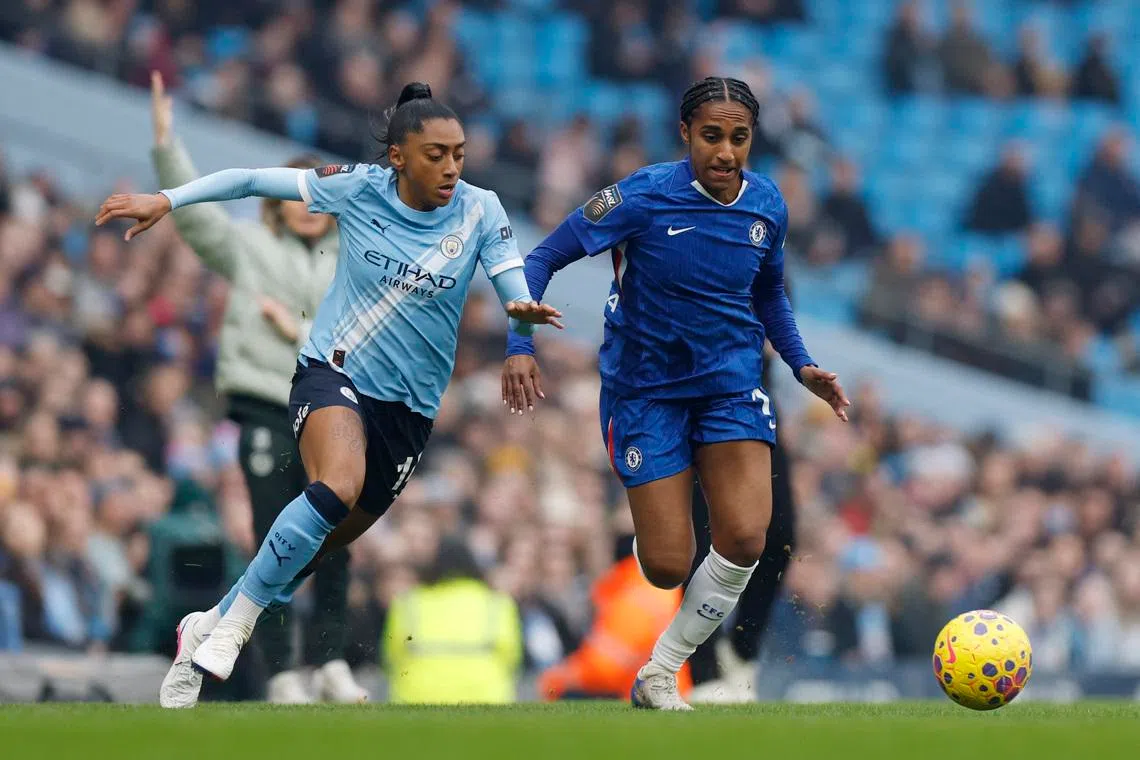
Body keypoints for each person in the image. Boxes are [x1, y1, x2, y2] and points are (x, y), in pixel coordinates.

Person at [96, 82, 561, 709]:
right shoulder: (358, 186)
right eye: (436, 154)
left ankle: (209, 621)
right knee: (336, 484)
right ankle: (236, 630)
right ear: (398, 156)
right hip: (333, 369)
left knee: (321, 540)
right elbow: (249, 181)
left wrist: (521, 340)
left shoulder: (481, 210)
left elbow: (513, 281)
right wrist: (169, 199)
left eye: (460, 153)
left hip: (411, 410)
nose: (452, 167)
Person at [502, 76, 849, 711]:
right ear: (686, 133)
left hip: (730, 386)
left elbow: (770, 292)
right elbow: (542, 258)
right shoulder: (641, 195)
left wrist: (801, 366)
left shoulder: (767, 204)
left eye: (739, 138)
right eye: (712, 136)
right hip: (647, 392)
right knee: (667, 564)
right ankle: (657, 536)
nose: (726, 152)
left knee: (749, 537)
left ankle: (663, 672)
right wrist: (521, 344)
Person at [148, 71, 362, 704]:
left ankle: (329, 663)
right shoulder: (248, 248)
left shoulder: (348, 261)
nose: (305, 206)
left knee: (336, 530)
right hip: (267, 405)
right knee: (274, 535)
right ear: (276, 201)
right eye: (295, 194)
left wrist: (290, 325)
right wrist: (166, 144)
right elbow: (197, 222)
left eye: (316, 196)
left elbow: (344, 338)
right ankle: (284, 673)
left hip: (327, 407)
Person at [382, 536, 521, 704]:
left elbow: (391, 655)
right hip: (486, 697)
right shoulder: (498, 603)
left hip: (418, 697)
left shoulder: (407, 603)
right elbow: (512, 657)